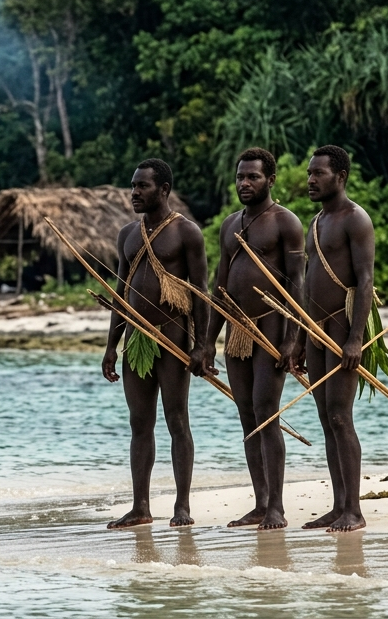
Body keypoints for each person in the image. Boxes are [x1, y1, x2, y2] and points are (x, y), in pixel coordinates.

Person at [101, 158, 213, 529]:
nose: (134, 192)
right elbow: (120, 292)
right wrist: (110, 345)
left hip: (174, 335)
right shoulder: (126, 235)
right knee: (139, 423)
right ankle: (141, 506)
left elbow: (200, 293)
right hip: (136, 339)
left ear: (163, 190)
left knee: (177, 419)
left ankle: (182, 506)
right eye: (133, 186)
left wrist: (201, 346)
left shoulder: (187, 233)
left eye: (143, 186)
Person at [199, 148, 305, 530]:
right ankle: (260, 503)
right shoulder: (230, 225)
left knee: (267, 414)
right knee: (247, 417)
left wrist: (295, 339)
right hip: (237, 329)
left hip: (272, 326)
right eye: (241, 177)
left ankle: (276, 506)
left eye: (253, 177)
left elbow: (297, 284)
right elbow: (220, 285)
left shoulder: (286, 223)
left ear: (270, 180)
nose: (244, 183)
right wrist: (207, 340)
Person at [298, 145, 376, 533]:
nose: (310, 179)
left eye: (319, 173)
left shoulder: (355, 219)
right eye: (310, 173)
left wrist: (356, 338)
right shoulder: (314, 223)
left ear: (340, 177)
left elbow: (364, 281)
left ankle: (355, 511)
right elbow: (306, 284)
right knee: (325, 419)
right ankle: (338, 505)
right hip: (313, 330)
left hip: (342, 329)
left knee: (341, 417)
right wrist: (298, 339)